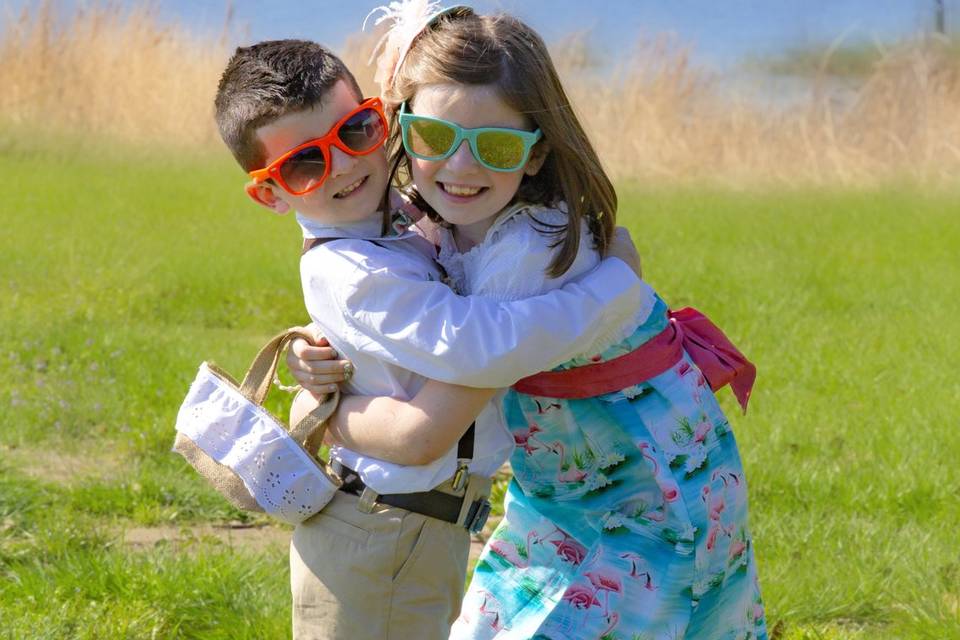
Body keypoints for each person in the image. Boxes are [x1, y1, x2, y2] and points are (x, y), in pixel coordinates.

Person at [291, 5, 768, 639]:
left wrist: (326, 405)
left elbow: (424, 431)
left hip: (651, 496)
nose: (461, 168)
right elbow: (400, 309)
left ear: (537, 153)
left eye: (494, 146)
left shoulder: (525, 256)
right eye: (436, 137)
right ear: (400, 127)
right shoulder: (445, 222)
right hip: (565, 489)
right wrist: (323, 352)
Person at [212, 39, 648, 640]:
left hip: (413, 527)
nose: (342, 166)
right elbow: (479, 345)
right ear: (271, 193)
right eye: (305, 164)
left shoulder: (402, 217)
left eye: (356, 131)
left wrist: (318, 350)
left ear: (382, 118)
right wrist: (613, 288)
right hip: (380, 534)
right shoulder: (352, 269)